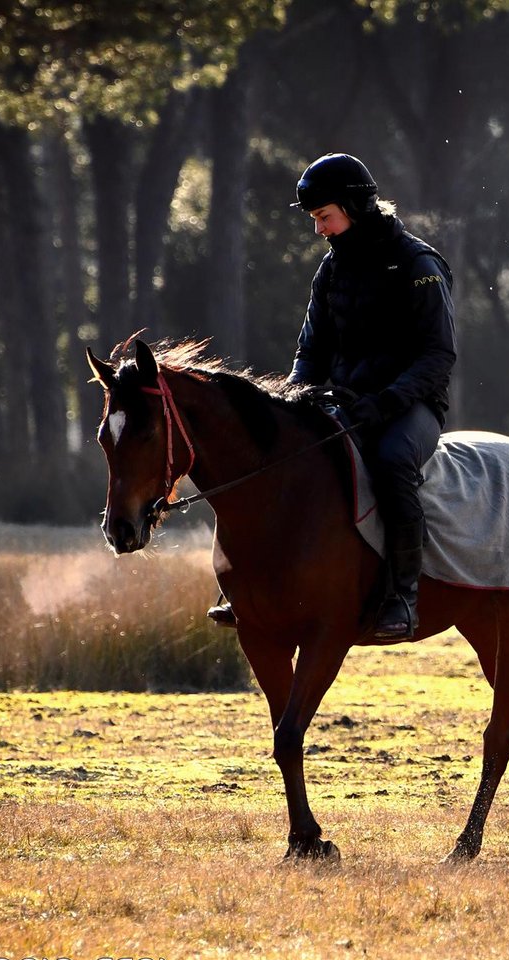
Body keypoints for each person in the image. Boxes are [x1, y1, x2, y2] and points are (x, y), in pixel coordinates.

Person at [207, 153, 457, 640]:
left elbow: (437, 356)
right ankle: (253, 586)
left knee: (389, 464)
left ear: (354, 208)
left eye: (324, 217)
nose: (319, 229)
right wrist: (295, 399)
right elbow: (310, 347)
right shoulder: (331, 269)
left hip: (411, 408)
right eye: (316, 219)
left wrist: (384, 402)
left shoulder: (419, 264)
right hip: (341, 402)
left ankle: (403, 597)